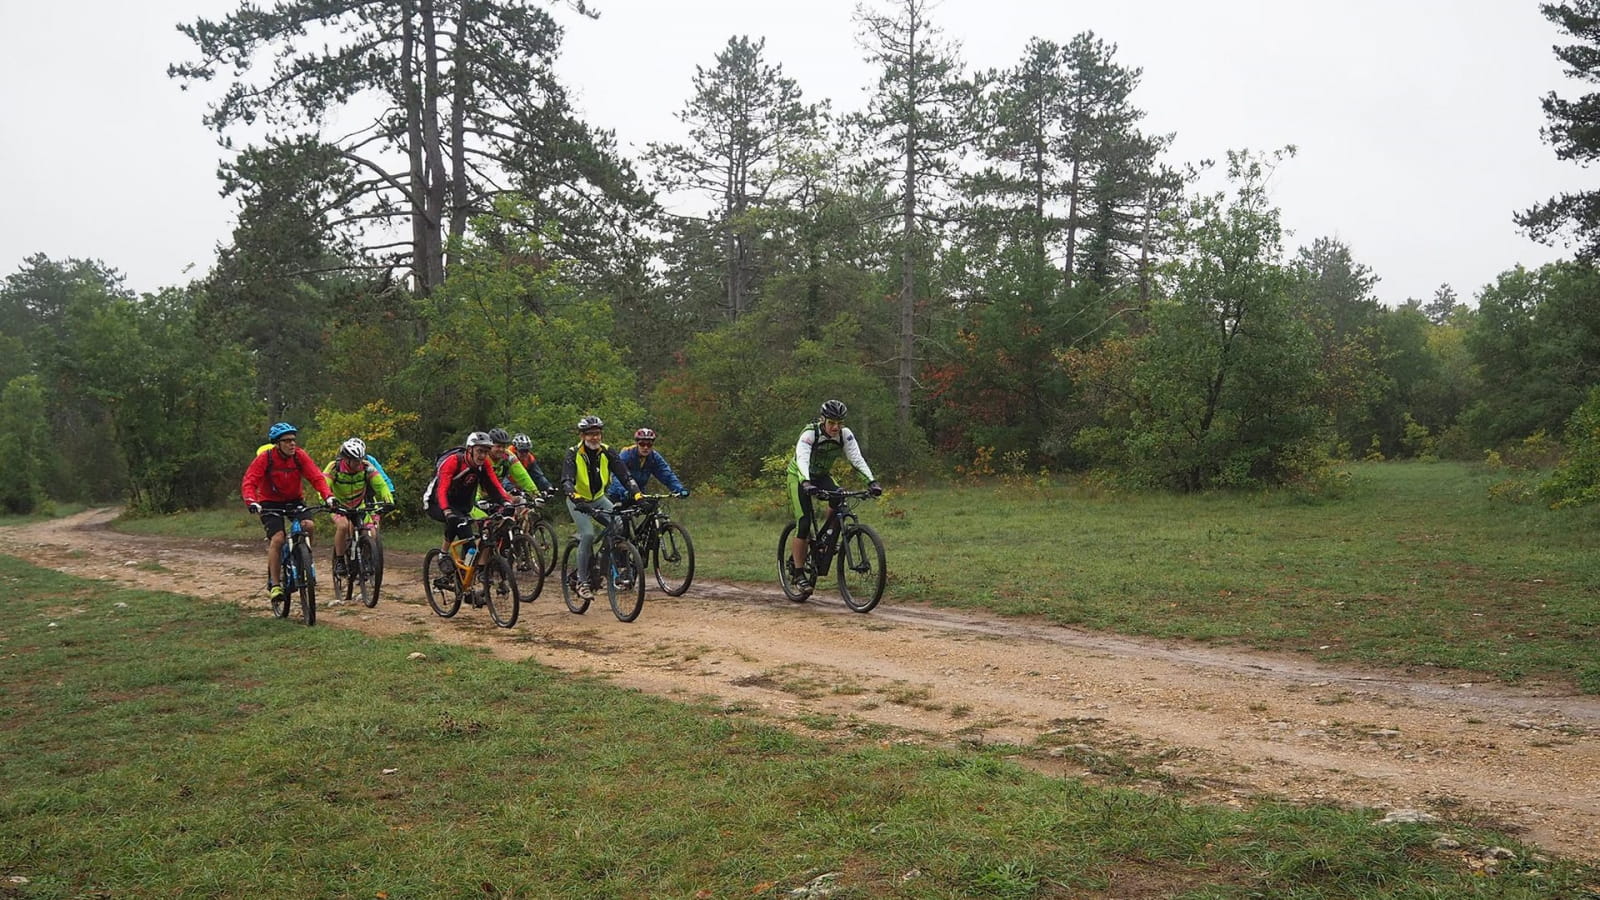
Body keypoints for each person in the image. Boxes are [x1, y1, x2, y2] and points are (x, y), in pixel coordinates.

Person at [786, 400, 882, 591]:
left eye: (839, 423)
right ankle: (798, 573)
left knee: (839, 496)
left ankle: (826, 537)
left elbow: (856, 458)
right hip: (798, 477)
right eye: (832, 423)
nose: (836, 427)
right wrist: (806, 482)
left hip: (821, 476)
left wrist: (871, 482)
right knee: (804, 523)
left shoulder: (844, 435)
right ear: (823, 420)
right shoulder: (809, 434)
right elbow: (802, 458)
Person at [241, 422, 336, 604]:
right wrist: (251, 501)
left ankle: (305, 561)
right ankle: (275, 584)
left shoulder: (299, 456)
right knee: (278, 538)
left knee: (308, 525)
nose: (292, 444)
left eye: (293, 440)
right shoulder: (265, 459)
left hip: (294, 501)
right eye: (287, 441)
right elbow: (250, 481)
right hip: (269, 503)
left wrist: (328, 497)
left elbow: (316, 477)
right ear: (277, 443)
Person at [561, 416, 642, 600]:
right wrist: (576, 497)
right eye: (590, 434)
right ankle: (582, 582)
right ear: (582, 435)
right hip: (577, 501)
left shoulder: (607, 452)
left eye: (597, 434)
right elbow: (567, 481)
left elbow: (625, 475)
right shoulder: (573, 453)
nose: (594, 438)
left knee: (619, 525)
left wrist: (637, 494)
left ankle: (601, 566)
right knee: (588, 534)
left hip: (599, 498)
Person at [427, 431, 518, 584]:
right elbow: (441, 490)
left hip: (463, 506)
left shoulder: (484, 465)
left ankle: (468, 578)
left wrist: (506, 502)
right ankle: (443, 554)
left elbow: (494, 486)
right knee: (457, 524)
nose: (483, 456)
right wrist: (447, 511)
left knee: (477, 540)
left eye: (486, 451)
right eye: (479, 451)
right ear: (470, 450)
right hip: (436, 502)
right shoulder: (453, 462)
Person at [322, 437, 396, 583]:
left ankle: (366, 560)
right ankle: (340, 560)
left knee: (371, 532)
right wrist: (327, 500)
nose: (359, 464)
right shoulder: (334, 467)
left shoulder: (367, 467)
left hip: (359, 505)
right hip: (339, 505)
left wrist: (389, 500)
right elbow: (323, 486)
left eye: (360, 459)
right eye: (356, 461)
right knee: (343, 526)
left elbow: (380, 485)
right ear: (346, 459)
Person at [605, 427, 689, 505]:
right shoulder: (627, 454)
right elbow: (617, 476)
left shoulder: (654, 457)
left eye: (649, 445)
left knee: (652, 509)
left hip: (640, 494)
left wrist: (679, 489)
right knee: (622, 520)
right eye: (642, 444)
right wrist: (625, 491)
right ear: (637, 443)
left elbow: (667, 475)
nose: (645, 447)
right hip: (619, 495)